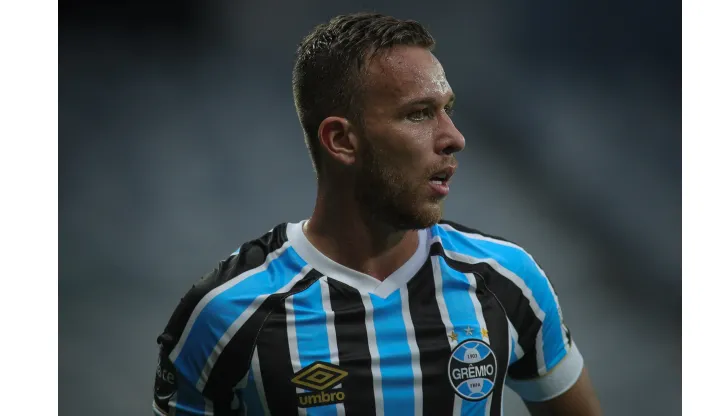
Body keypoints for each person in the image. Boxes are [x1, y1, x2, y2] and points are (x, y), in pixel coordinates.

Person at [152, 12, 601, 416]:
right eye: (419, 114)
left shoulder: (507, 281)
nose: (454, 137)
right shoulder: (226, 313)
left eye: (448, 110)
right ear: (342, 140)